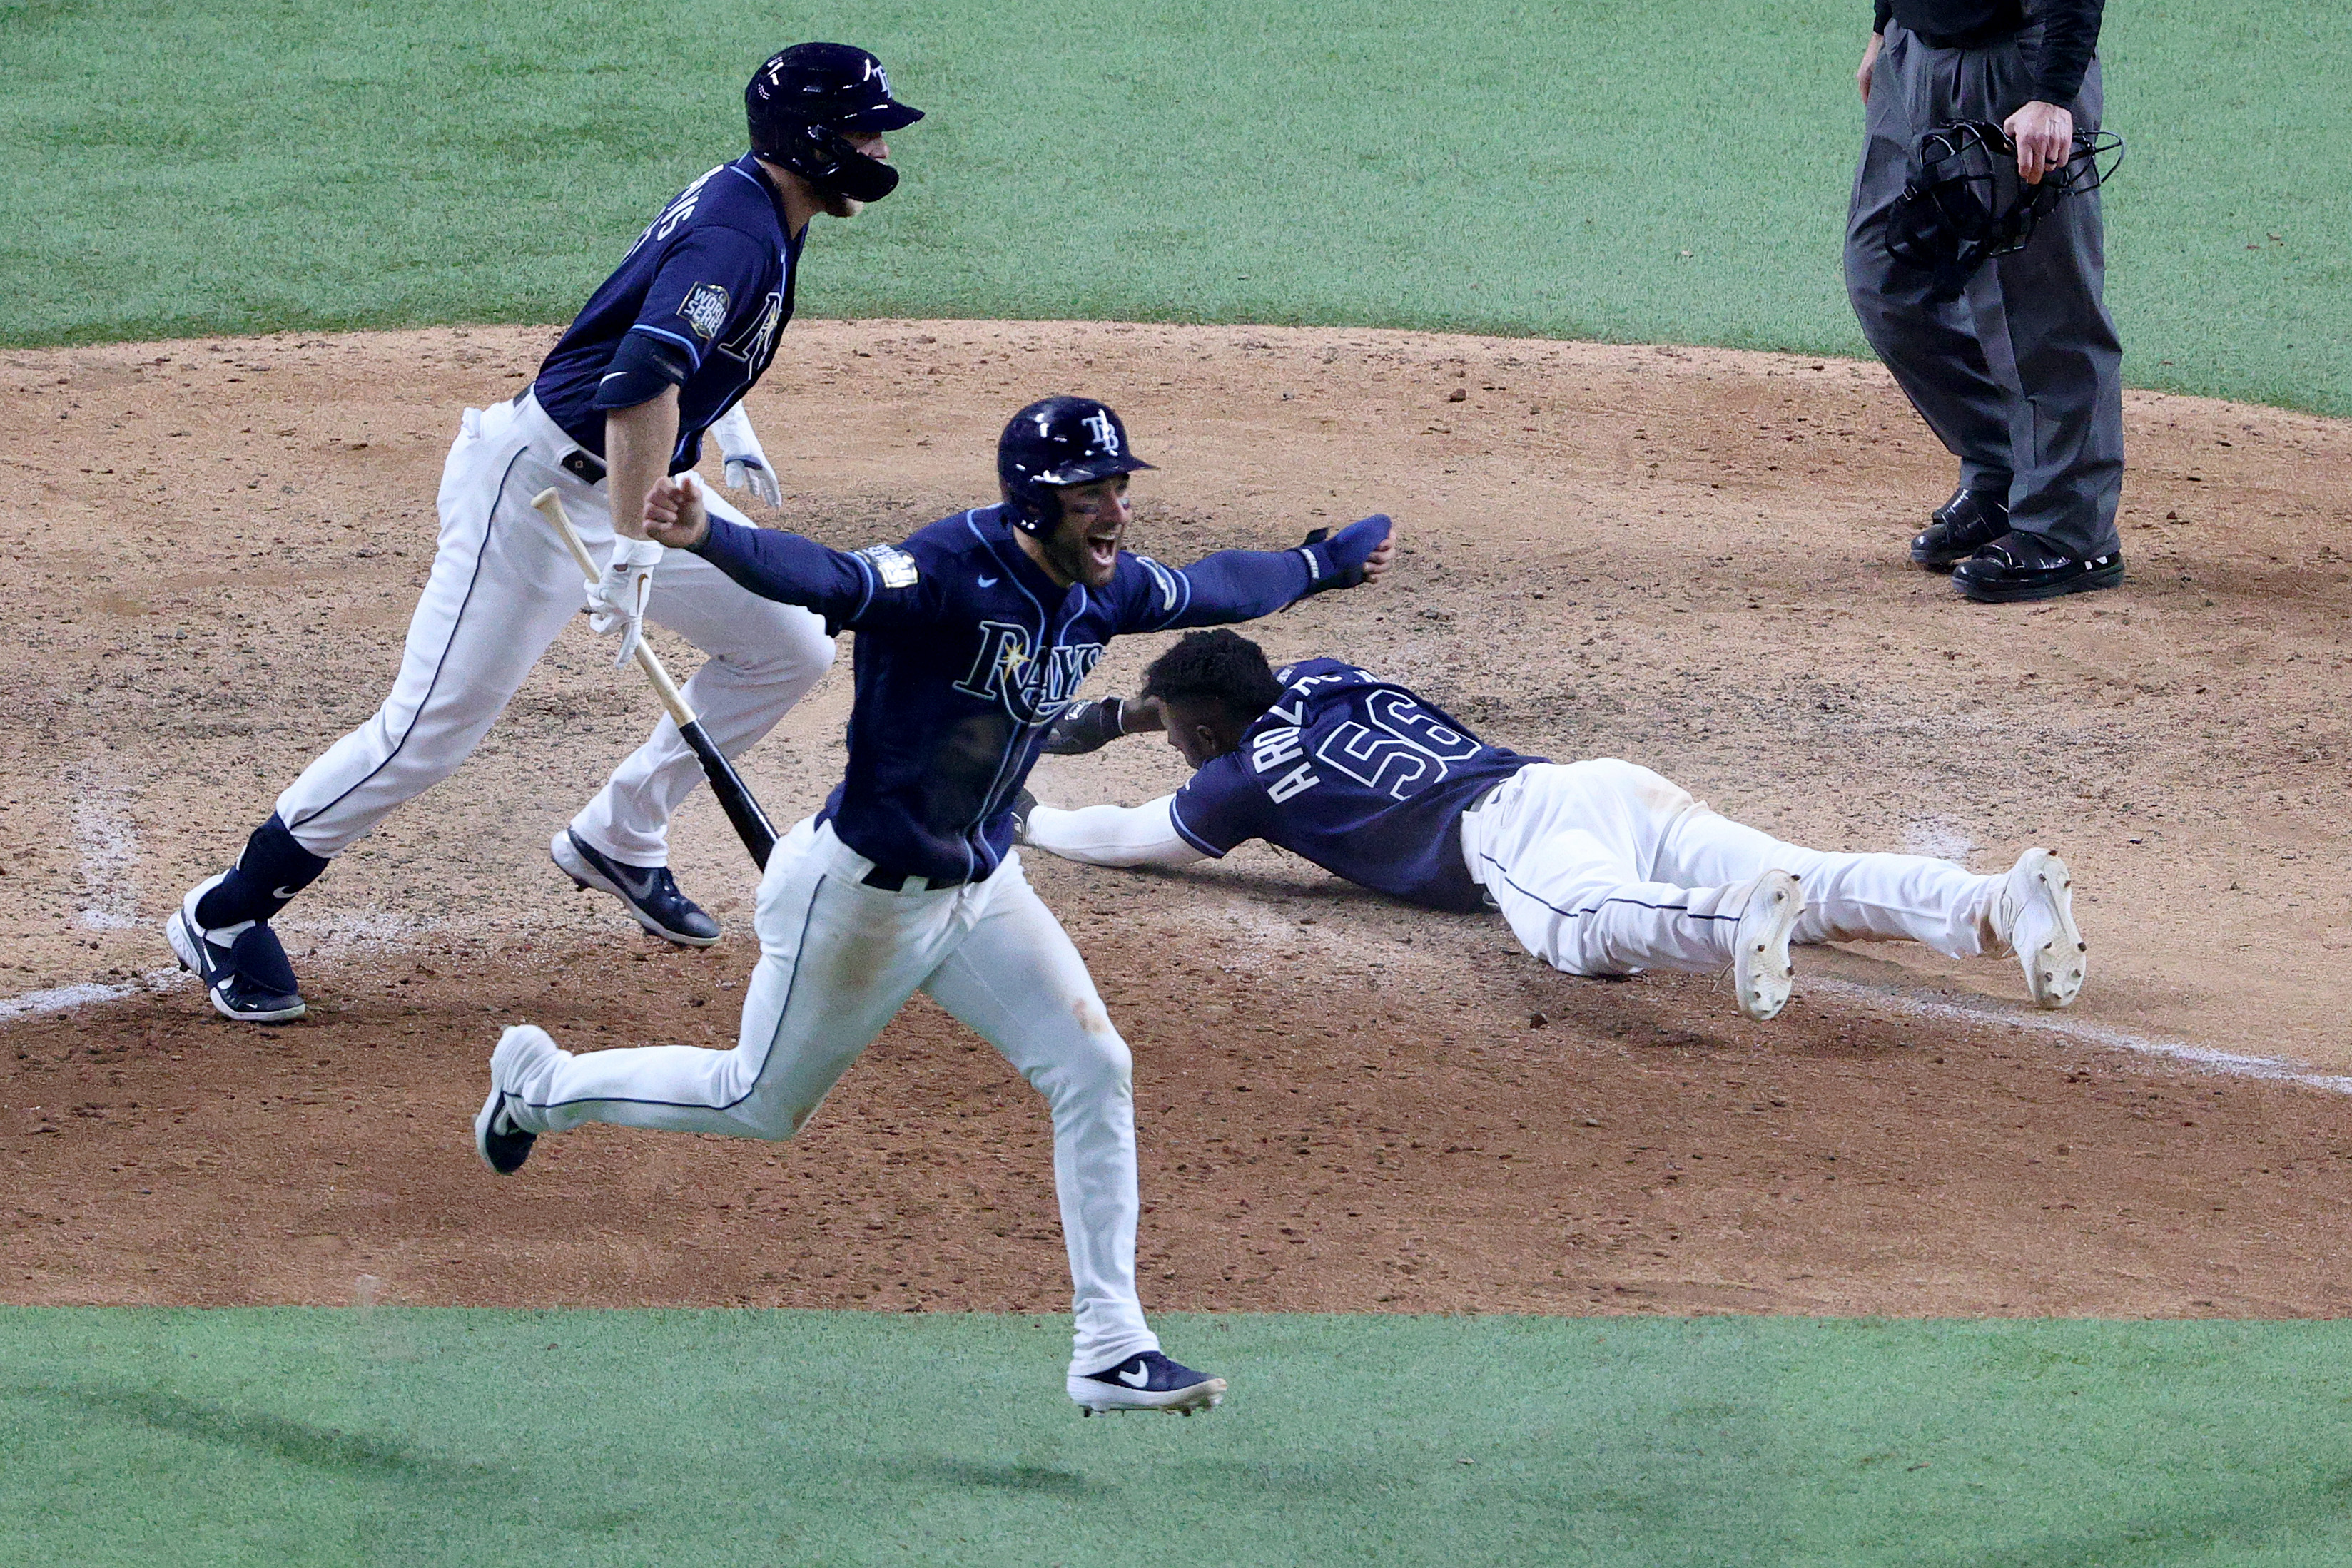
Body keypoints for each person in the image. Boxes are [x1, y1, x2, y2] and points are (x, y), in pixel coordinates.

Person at [471, 399, 1396, 1416]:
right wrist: (712, 534)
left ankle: (1110, 1343)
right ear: (1038, 501)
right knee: (758, 1101)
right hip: (860, 903)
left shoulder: (1097, 586)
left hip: (982, 887)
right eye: (1093, 493)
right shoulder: (948, 570)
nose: (1116, 511)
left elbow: (1210, 584)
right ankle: (541, 1085)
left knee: (1094, 1064)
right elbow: (835, 578)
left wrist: (1317, 565)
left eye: (1121, 489)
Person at [166, 45, 921, 1022]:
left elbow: (659, 324)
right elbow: (639, 378)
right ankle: (223, 916)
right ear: (814, 141)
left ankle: (622, 831)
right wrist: (639, 548)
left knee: (788, 642)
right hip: (537, 497)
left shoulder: (765, 200)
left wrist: (720, 423)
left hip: (638, 476)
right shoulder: (739, 232)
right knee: (426, 733)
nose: (878, 146)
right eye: (864, 129)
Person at [1019, 631, 2088, 1020]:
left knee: (1578, 929)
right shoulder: (1316, 675)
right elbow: (1210, 686)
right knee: (1811, 876)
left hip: (1509, 836)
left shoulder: (1231, 784)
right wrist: (1118, 715)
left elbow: (1127, 838)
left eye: (1180, 736)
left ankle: (1722, 925)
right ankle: (2000, 901)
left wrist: (1028, 815)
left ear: (1208, 735)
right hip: (1602, 786)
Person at [1847, 1, 2124, 604]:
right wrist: (1882, 24)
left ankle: (2069, 530)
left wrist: (2055, 91)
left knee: (2042, 312)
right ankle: (2004, 466)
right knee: (1887, 278)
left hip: (2019, 62)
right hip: (1912, 49)